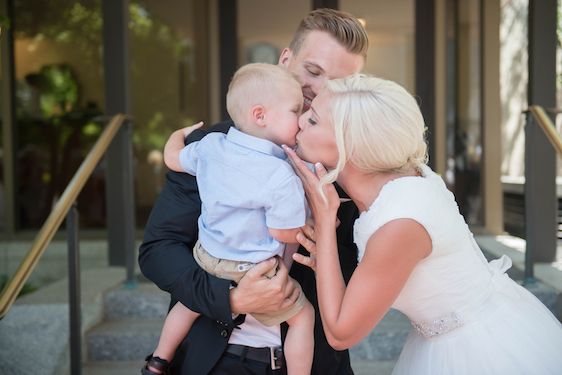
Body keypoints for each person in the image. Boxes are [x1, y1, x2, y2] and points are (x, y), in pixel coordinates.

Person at [138, 8, 368, 375]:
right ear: (285, 59)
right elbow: (158, 251)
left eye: (337, 83)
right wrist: (230, 298)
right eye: (312, 71)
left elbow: (361, 275)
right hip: (216, 361)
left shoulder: (351, 167)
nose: (319, 90)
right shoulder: (211, 147)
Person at [284, 73, 562, 375]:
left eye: (312, 120)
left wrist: (325, 221)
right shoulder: (401, 177)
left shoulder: (402, 221)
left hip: (477, 353)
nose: (299, 122)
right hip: (447, 337)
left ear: (350, 145)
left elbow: (341, 333)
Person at [144, 63, 315, 375]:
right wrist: (311, 222)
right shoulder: (280, 174)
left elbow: (173, 159)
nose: (302, 120)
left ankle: (158, 361)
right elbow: (283, 231)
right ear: (260, 115)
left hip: (207, 257)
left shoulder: (209, 145)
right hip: (252, 269)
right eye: (296, 111)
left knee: (188, 305)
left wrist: (177, 136)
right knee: (303, 318)